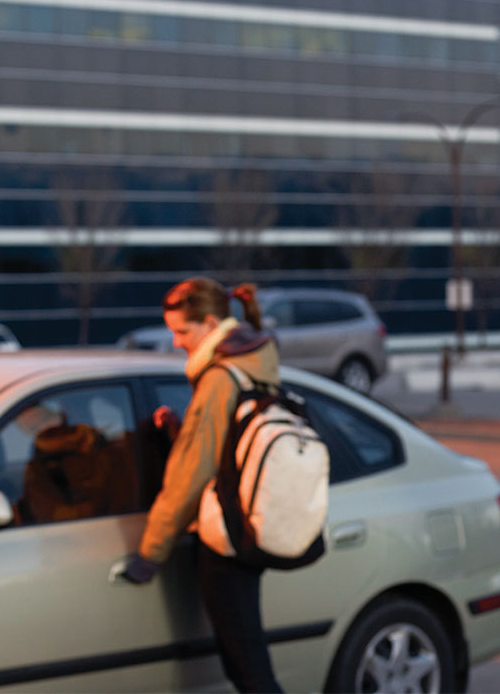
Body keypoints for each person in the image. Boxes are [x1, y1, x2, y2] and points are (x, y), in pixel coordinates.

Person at [120, 277, 284, 693]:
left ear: (211, 325)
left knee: (249, 670)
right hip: (249, 518)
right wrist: (181, 431)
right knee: (246, 663)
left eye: (181, 332)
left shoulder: (219, 378)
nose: (175, 343)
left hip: (224, 536)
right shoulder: (253, 362)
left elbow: (193, 472)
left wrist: (151, 553)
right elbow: (233, 443)